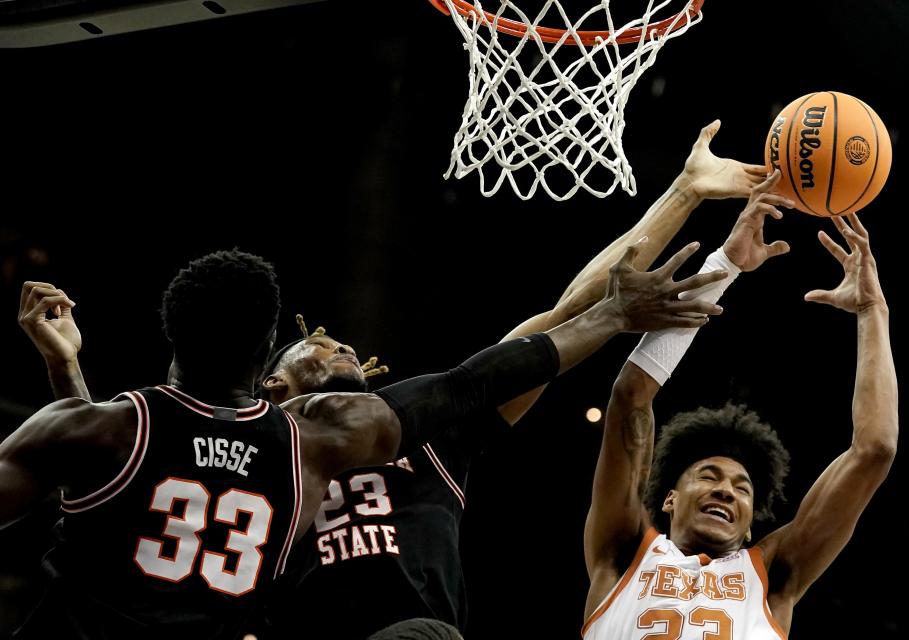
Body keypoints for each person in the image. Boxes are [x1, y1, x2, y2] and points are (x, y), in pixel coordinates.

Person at [18, 122, 768, 640]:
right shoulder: (284, 442)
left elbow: (561, 317)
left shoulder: (417, 429)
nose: (338, 346)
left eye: (347, 348)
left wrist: (686, 194)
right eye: (312, 347)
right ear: (272, 388)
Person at [582, 210, 896, 639]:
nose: (726, 489)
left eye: (741, 487)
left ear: (749, 524)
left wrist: (872, 309)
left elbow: (875, 449)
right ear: (670, 499)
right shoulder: (623, 553)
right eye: (708, 476)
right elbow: (629, 397)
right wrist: (722, 267)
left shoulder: (773, 578)